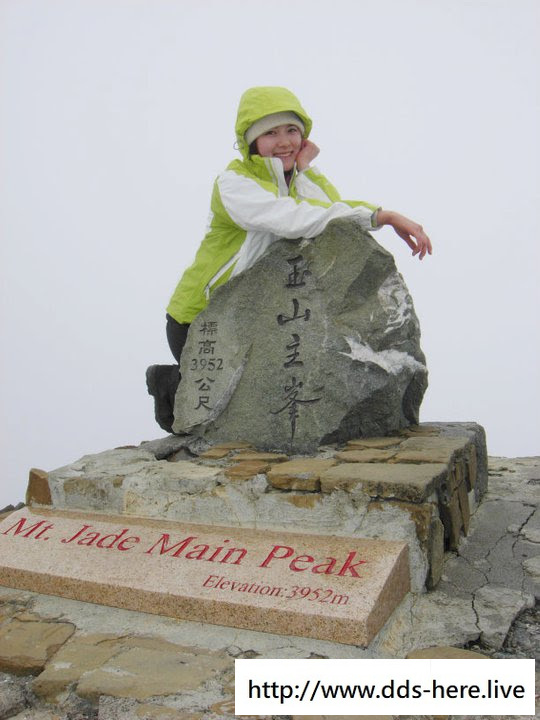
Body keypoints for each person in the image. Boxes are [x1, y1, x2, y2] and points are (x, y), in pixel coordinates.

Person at [147, 86, 432, 432]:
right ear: (251, 141)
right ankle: (169, 385)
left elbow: (329, 208)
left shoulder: (291, 183)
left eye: (292, 130)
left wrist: (307, 169)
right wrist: (381, 217)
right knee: (223, 412)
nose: (284, 142)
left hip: (248, 314)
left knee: (264, 401)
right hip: (200, 316)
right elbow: (294, 218)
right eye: (271, 133)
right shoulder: (234, 183)